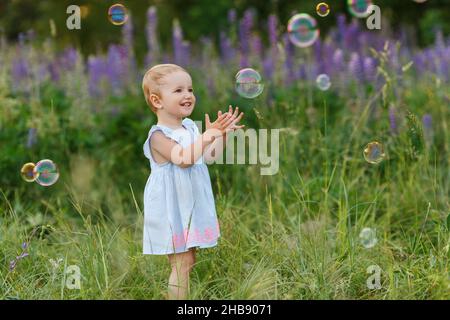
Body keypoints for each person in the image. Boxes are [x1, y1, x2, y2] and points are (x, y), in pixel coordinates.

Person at [141, 64, 244, 299]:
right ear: (157, 101)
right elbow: (184, 159)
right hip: (171, 209)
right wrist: (207, 135)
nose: (188, 94)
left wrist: (221, 134)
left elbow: (208, 156)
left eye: (190, 89)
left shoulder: (189, 127)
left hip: (188, 206)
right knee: (181, 263)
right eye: (178, 90)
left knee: (188, 260)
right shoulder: (157, 136)